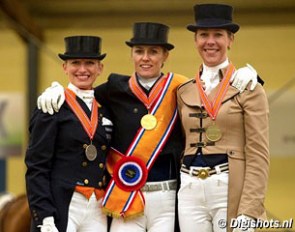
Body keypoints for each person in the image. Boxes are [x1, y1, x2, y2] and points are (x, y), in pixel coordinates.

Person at [36, 23, 259, 232]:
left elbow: (212, 89)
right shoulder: (114, 88)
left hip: (167, 195)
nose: (145, 58)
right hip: (126, 195)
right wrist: (55, 89)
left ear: (165, 56)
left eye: (153, 51)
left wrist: (253, 76)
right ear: (131, 54)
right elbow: (82, 94)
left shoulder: (180, 87)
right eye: (139, 51)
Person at [177, 3, 270, 232]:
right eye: (203, 35)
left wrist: (249, 209)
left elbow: (259, 153)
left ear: (230, 40)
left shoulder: (249, 87)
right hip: (189, 189)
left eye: (218, 34)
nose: (210, 41)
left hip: (229, 187)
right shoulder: (184, 91)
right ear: (195, 40)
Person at [25, 36, 112, 232]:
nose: (82, 69)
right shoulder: (52, 106)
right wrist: (43, 215)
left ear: (100, 68)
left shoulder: (106, 107)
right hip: (63, 204)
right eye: (75, 63)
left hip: (97, 205)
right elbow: (37, 166)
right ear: (64, 67)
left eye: (89, 63)